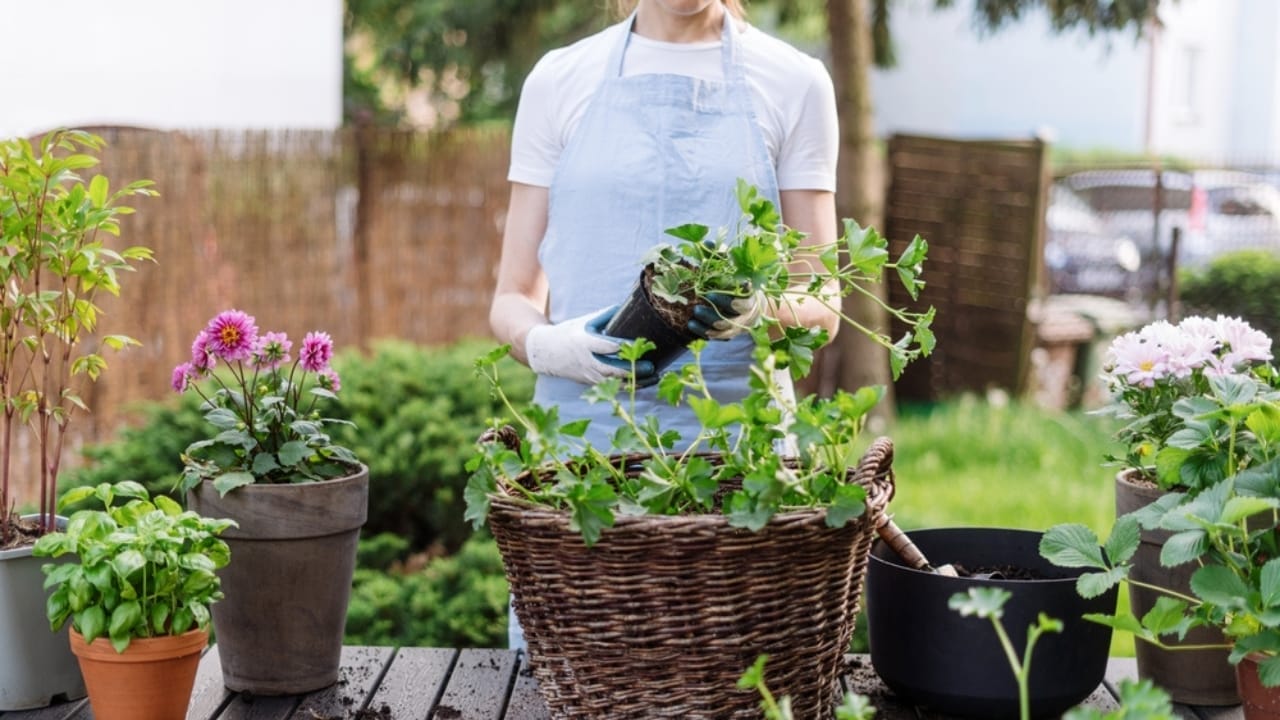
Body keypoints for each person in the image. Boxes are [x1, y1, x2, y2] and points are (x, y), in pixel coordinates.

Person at [488, 0, 842, 651]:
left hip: (741, 466)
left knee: (737, 677)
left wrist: (758, 311)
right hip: (581, 469)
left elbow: (821, 301)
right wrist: (549, 346)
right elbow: (510, 295)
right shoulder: (559, 79)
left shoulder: (794, 83)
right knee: (577, 677)